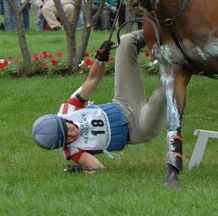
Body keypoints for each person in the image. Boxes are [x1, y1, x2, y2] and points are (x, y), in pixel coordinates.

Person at [31, 34, 167, 172]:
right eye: (66, 140)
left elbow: (93, 79)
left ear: (61, 120)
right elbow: (100, 168)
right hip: (138, 130)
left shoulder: (70, 109)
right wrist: (82, 170)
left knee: (126, 41)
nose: (72, 135)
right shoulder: (73, 152)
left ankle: (164, 29)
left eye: (67, 130)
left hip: (124, 103)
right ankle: (179, 63)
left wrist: (100, 59)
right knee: (162, 92)